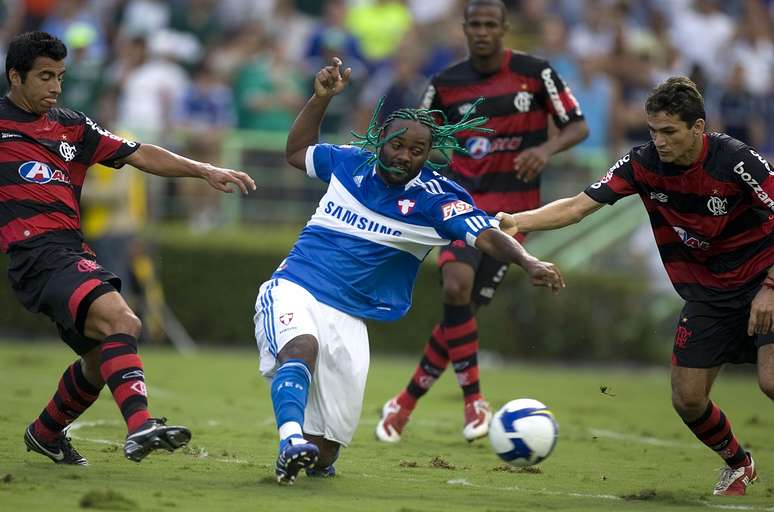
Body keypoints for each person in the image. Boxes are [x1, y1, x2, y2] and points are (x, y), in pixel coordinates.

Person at [254, 56, 565, 485]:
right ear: (381, 139)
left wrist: (528, 260)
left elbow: (486, 234)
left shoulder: (435, 200)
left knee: (326, 453)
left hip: (349, 316)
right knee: (300, 349)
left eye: (417, 150)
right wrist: (320, 99)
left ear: (428, 154)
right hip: (296, 287)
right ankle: (289, 441)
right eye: (398, 145)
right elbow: (295, 152)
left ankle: (310, 450)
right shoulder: (348, 163)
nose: (404, 156)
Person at [496, 76, 773, 497]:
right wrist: (518, 220)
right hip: (709, 293)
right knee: (688, 399)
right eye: (652, 131)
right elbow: (575, 207)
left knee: (771, 382)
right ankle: (739, 464)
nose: (658, 141)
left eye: (669, 132)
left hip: (764, 280)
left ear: (698, 129)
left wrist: (770, 286)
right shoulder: (642, 164)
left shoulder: (736, 161)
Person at [2, 32, 255, 465]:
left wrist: (203, 168)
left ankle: (45, 432)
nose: (56, 87)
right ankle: (141, 426)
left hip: (69, 250)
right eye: (45, 77)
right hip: (36, 254)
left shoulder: (72, 125)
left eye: (60, 76)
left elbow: (138, 153)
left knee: (102, 357)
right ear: (15, 77)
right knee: (123, 319)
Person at [376, 0, 588, 444]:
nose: (484, 32)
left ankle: (404, 403)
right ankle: (474, 399)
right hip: (461, 205)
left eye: (492, 24)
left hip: (514, 216)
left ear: (505, 28)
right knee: (455, 287)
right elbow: (417, 136)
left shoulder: (536, 72)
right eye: (476, 24)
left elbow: (577, 125)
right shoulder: (445, 84)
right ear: (465, 28)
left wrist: (544, 150)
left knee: (462, 313)